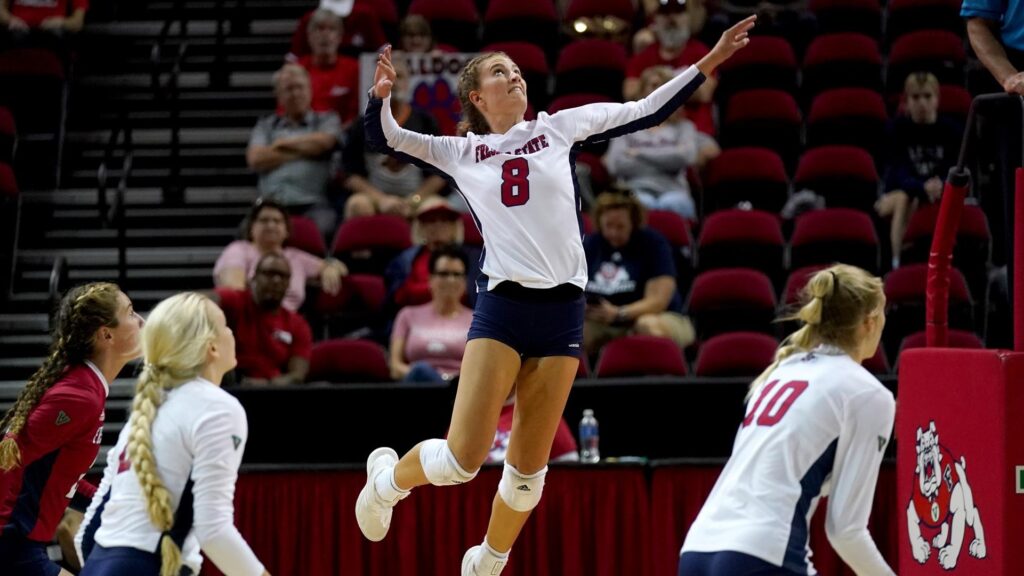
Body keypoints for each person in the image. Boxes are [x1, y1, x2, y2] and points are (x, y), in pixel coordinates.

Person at [354, 16, 755, 576]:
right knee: (464, 459)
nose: (515, 77)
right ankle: (386, 483)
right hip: (504, 308)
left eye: (517, 70)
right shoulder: (459, 152)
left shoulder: (560, 127)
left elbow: (645, 111)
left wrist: (708, 61)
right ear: (476, 95)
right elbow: (383, 139)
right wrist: (381, 99)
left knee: (525, 477)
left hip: (563, 311)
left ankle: (488, 560)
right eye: (500, 72)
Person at [679, 264, 896, 576]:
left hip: (697, 551)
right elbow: (846, 531)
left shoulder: (784, 369)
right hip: (762, 553)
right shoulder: (867, 393)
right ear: (870, 322)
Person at [75, 293, 271, 576]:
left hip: (97, 566)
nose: (232, 332)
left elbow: (86, 535)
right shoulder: (218, 408)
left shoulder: (147, 409)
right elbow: (213, 528)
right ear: (211, 347)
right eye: (226, 325)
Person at [0, 282, 144, 576]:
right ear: (106, 334)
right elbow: (9, 455)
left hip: (23, 545)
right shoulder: (79, 397)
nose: (141, 321)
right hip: (13, 546)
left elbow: (62, 477)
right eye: (130, 313)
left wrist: (110, 503)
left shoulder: (87, 388)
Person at [583, 190, 695, 359]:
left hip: (659, 316)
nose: (613, 233)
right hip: (605, 322)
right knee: (571, 333)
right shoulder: (591, 245)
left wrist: (619, 313)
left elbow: (658, 301)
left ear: (633, 223)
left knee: (647, 325)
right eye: (608, 226)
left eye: (620, 227)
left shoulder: (653, 244)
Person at [605, 65, 719, 220]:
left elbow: (685, 158)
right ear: (642, 91)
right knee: (640, 205)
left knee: (673, 204)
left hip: (674, 191)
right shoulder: (624, 127)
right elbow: (616, 164)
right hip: (634, 190)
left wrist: (638, 154)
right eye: (653, 85)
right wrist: (668, 161)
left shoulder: (685, 127)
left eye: (664, 86)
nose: (658, 90)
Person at [343, 54, 448, 219]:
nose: (393, 82)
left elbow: (442, 173)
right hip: (375, 198)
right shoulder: (362, 124)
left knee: (436, 209)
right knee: (357, 205)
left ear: (408, 82)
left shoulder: (426, 122)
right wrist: (382, 200)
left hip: (417, 197)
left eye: (399, 76)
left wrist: (414, 200)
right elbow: (350, 175)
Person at [874, 72, 962, 268]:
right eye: (915, 97)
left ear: (937, 99)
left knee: (914, 198)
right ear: (906, 101)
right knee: (906, 197)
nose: (922, 103)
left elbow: (952, 166)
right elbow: (899, 173)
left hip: (937, 192)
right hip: (897, 195)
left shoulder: (950, 130)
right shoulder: (897, 129)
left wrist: (939, 184)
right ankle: (896, 262)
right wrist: (923, 187)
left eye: (927, 96)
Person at [246, 64, 342, 237]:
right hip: (271, 204)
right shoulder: (266, 126)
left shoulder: (327, 120)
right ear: (279, 96)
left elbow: (325, 143)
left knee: (323, 230)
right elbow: (256, 159)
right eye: (289, 89)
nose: (296, 93)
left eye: (300, 87)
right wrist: (305, 150)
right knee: (245, 233)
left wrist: (281, 144)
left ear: (310, 90)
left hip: (314, 203)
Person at [214, 197, 347, 312]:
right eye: (264, 220)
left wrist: (330, 267)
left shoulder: (295, 257)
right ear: (251, 228)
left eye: (277, 221)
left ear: (286, 231)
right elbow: (234, 294)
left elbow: (339, 267)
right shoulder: (238, 250)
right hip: (249, 321)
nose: (271, 225)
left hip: (290, 325)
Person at [214, 252, 313, 386]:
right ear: (253, 278)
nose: (276, 280)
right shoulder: (235, 301)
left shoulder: (298, 324)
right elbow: (198, 301)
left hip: (272, 393)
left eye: (283, 276)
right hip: (228, 387)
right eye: (269, 273)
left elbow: (296, 375)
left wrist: (266, 385)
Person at [624, 0, 717, 135]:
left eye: (678, 13)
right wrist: (684, 85)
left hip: (694, 131)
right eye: (665, 14)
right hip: (648, 132)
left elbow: (704, 93)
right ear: (655, 20)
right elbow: (630, 93)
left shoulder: (701, 53)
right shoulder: (644, 55)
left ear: (688, 18)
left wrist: (656, 82)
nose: (671, 18)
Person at [389, 245, 473, 383]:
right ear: (430, 279)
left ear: (465, 282)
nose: (451, 280)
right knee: (421, 370)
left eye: (457, 275)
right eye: (444, 274)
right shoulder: (407, 315)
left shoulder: (477, 320)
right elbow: (395, 366)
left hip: (459, 389)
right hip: (418, 388)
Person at [384, 197, 473, 309]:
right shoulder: (404, 260)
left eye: (444, 220)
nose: (438, 226)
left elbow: (475, 295)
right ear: (421, 227)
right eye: (431, 220)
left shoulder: (475, 258)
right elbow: (399, 297)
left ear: (454, 227)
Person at [295, 9, 360, 127]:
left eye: (331, 29)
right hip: (302, 134)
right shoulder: (297, 69)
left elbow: (357, 112)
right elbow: (285, 110)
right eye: (319, 29)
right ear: (309, 36)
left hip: (343, 136)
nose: (325, 34)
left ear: (340, 37)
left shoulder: (354, 69)